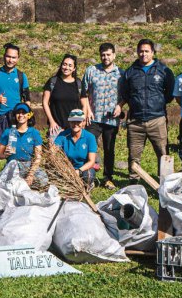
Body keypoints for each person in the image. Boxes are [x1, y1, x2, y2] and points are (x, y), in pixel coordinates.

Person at [118, 38, 175, 179]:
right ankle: (133, 183)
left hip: (157, 119)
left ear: (153, 52)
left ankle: (166, 183)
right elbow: (125, 93)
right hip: (135, 122)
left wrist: (158, 103)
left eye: (147, 51)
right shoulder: (130, 72)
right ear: (137, 52)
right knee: (134, 156)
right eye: (141, 51)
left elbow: (169, 93)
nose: (144, 54)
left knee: (163, 154)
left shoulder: (164, 71)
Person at [83, 42, 123, 189]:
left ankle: (108, 177)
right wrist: (87, 110)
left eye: (108, 54)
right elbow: (83, 93)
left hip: (111, 119)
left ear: (114, 55)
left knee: (109, 148)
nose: (106, 57)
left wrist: (120, 105)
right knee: (89, 146)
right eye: (103, 55)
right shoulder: (91, 71)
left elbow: (126, 95)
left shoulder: (121, 74)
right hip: (93, 117)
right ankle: (89, 176)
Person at [0, 43, 30, 159]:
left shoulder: (21, 76)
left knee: (13, 151)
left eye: (14, 57)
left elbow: (27, 100)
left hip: (14, 119)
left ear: (18, 58)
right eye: (8, 56)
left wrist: (26, 117)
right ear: (4, 56)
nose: (10, 60)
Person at [41, 54, 88, 139]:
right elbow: (45, 102)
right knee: (54, 148)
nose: (66, 67)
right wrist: (52, 121)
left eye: (70, 65)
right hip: (56, 127)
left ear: (74, 68)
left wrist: (82, 121)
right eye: (64, 64)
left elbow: (85, 104)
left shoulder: (78, 84)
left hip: (75, 127)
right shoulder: (53, 81)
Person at [53, 109, 98, 186]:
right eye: (73, 121)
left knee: (88, 176)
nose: (75, 124)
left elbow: (91, 161)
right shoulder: (63, 135)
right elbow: (52, 152)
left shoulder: (90, 137)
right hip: (68, 167)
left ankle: (88, 184)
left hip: (84, 168)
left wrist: (78, 171)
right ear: (69, 122)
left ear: (83, 122)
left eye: (78, 121)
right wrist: (61, 166)